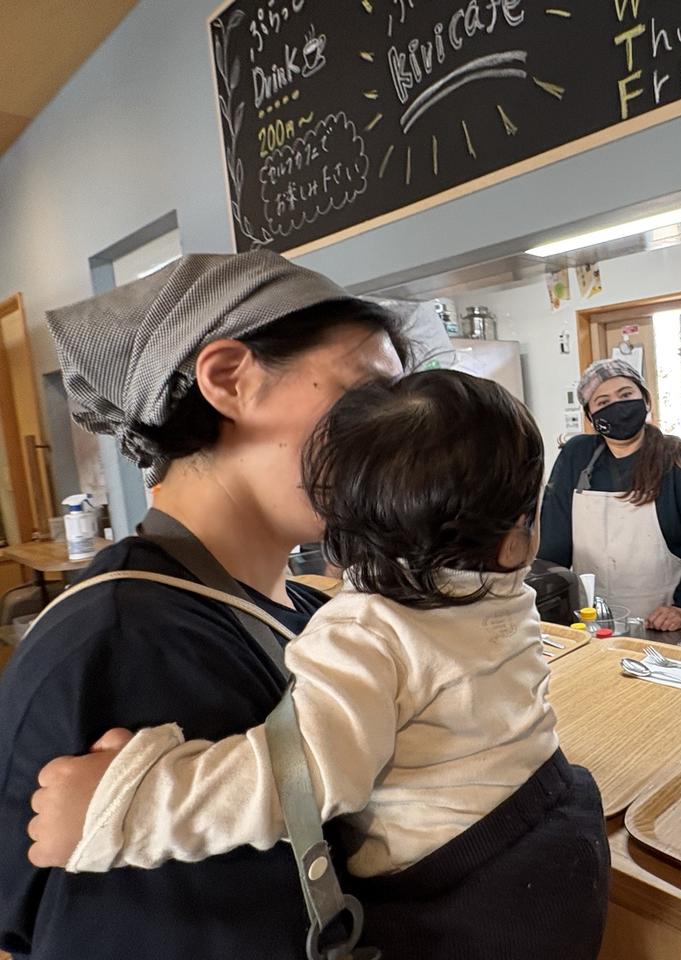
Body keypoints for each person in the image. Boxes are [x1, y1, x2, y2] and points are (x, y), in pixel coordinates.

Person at [26, 370, 609, 959]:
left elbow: (300, 778)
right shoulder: (506, 590)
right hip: (557, 826)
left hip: (467, 897)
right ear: (516, 539)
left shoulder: (368, 632)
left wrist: (125, 807)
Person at [0, 252, 406, 959]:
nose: (403, 439)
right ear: (228, 379)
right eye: (368, 399)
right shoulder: (136, 651)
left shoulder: (299, 605)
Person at [538, 359, 681, 631]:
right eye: (603, 402)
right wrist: (546, 601)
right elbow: (554, 537)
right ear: (590, 417)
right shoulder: (577, 456)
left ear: (645, 399)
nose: (617, 406)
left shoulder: (680, 462)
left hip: (666, 620)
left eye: (625, 395)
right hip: (592, 619)